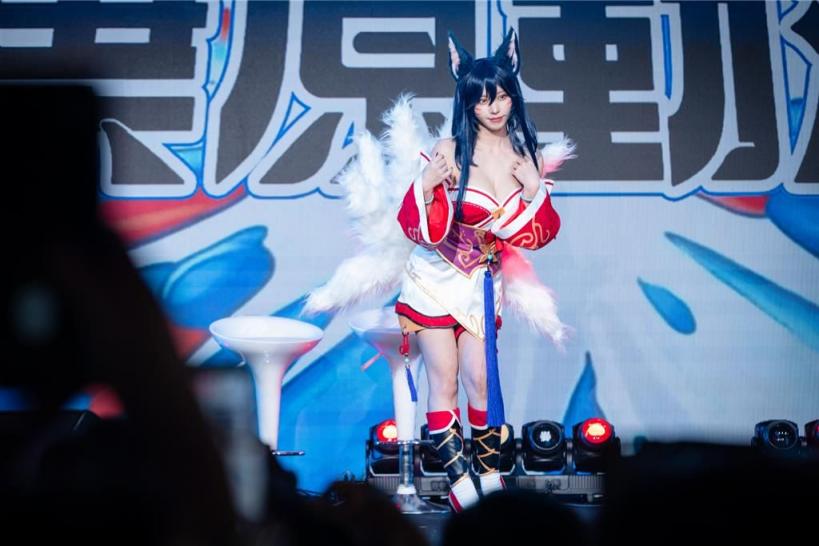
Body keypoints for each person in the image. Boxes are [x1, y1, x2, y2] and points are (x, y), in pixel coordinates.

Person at [394, 29, 566, 511]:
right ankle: (459, 483)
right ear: (467, 100)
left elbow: (539, 233)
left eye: (503, 95)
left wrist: (534, 189)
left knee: (482, 381)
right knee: (444, 379)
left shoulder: (526, 157)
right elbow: (418, 227)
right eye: (484, 98)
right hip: (434, 280)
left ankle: (489, 475)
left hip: (481, 286)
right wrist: (427, 184)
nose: (495, 107)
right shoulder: (448, 150)